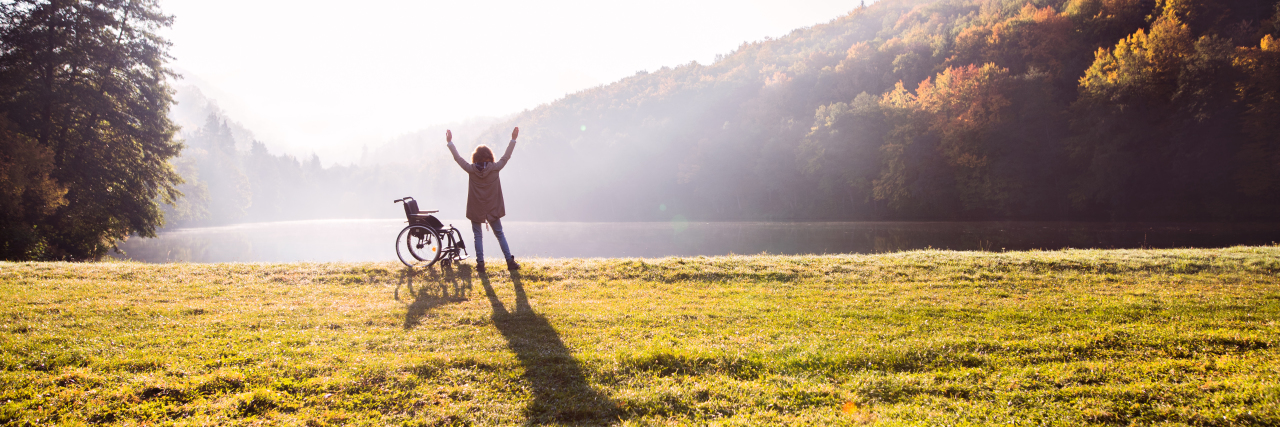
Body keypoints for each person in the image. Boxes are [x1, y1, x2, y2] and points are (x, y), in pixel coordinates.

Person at [446, 127, 520, 274]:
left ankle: (480, 264)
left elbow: (458, 158)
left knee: (477, 235)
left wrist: (450, 143)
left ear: (476, 157)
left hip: (476, 208)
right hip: (493, 208)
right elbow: (506, 156)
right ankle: (509, 262)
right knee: (500, 234)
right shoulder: (495, 168)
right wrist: (513, 139)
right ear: (489, 156)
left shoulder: (471, 169)